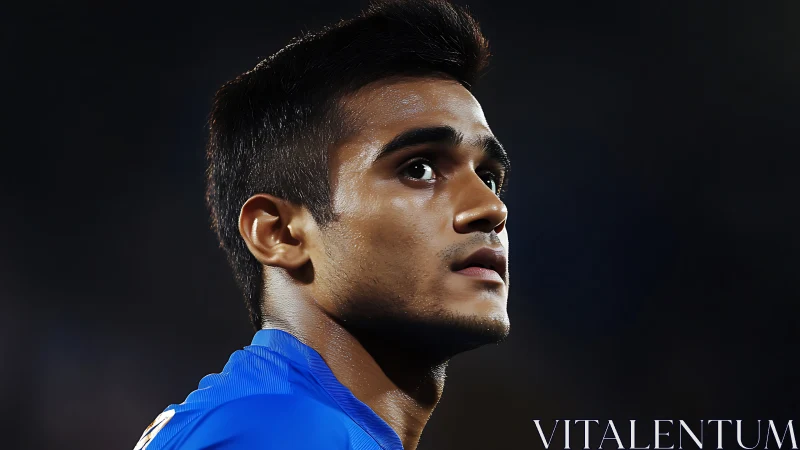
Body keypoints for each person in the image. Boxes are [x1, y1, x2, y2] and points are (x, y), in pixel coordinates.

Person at [134, 0, 511, 448]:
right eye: (419, 169)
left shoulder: (271, 418)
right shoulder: (281, 431)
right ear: (280, 233)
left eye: (489, 177)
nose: (491, 208)